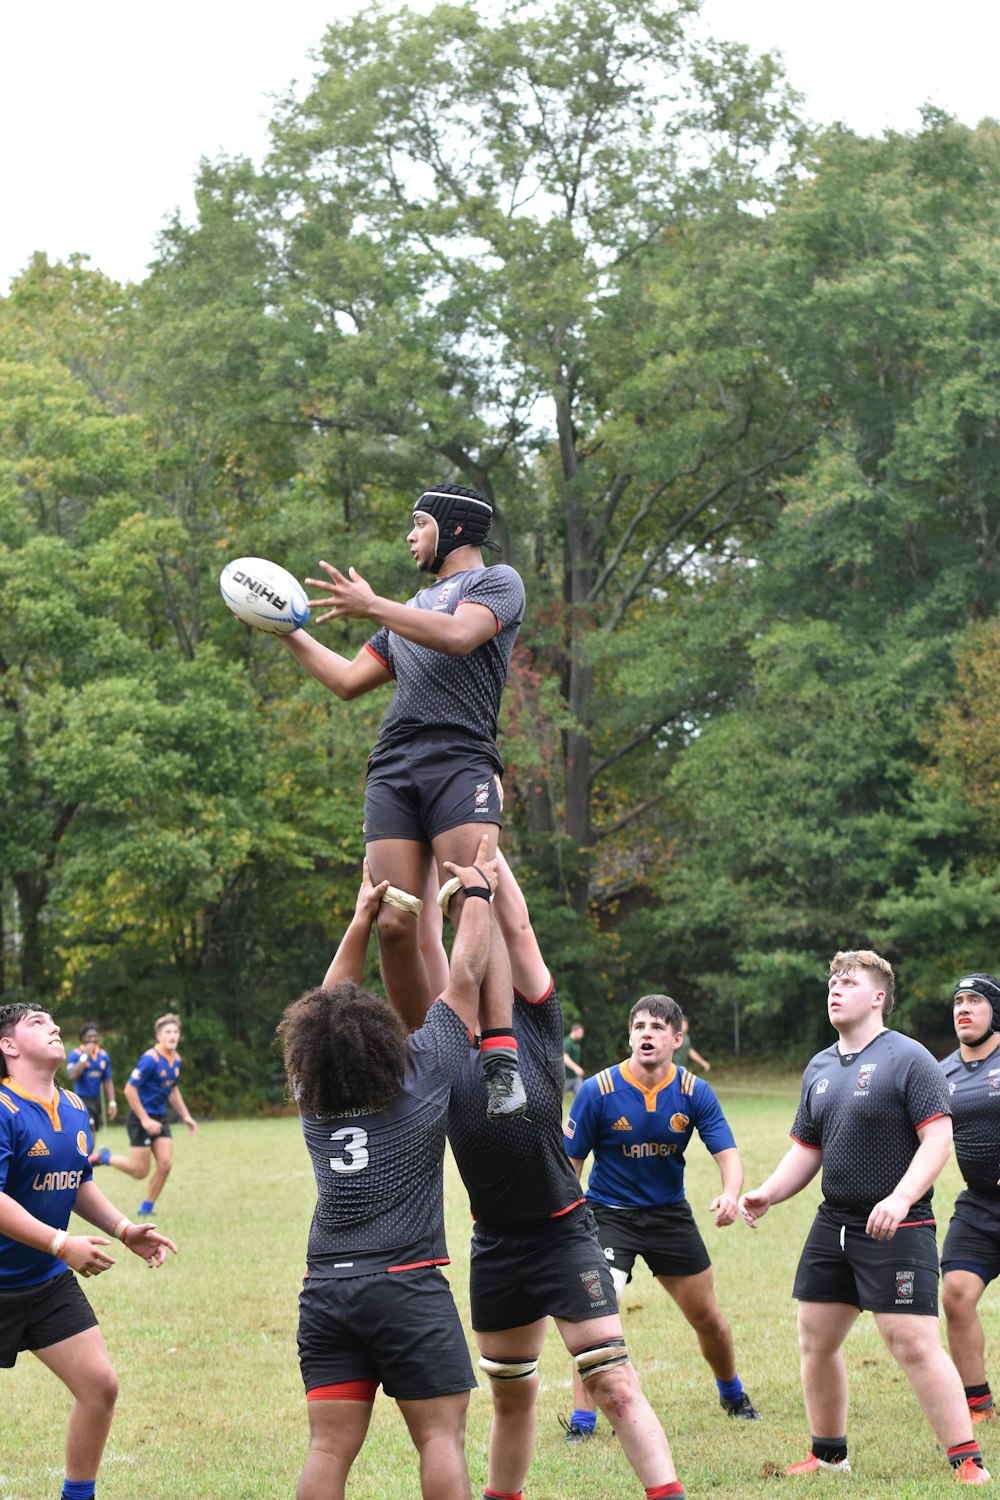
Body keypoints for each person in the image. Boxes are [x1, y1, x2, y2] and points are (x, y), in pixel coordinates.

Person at [281, 482, 527, 1118]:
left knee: (472, 897)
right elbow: (343, 680)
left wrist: (373, 605)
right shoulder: (406, 612)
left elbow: (456, 637)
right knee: (392, 918)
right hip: (392, 765)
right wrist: (282, 626)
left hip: (460, 758)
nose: (409, 536)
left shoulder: (497, 583)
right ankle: (430, 1062)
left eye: (418, 524)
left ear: (454, 531)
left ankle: (499, 1053)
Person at [443, 865, 686, 1500]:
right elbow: (425, 955)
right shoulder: (440, 1038)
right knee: (510, 1393)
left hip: (561, 1235)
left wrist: (491, 863)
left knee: (613, 1382)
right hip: (494, 1245)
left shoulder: (537, 1023)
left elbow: (518, 927)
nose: (483, 945)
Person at [279, 835, 498, 1500]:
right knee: (439, 1437)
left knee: (327, 1446)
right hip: (404, 1285)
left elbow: (327, 1002)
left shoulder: (310, 1093)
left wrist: (360, 920)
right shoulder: (420, 1073)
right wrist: (477, 896)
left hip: (326, 1291)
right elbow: (463, 979)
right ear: (379, 1035)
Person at [739, 949, 990, 1485]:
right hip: (835, 1223)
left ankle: (968, 1459)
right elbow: (808, 1148)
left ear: (878, 997)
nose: (834, 989)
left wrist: (899, 1199)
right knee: (815, 1339)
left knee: (912, 1343)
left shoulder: (910, 1057)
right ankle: (829, 1456)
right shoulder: (820, 1066)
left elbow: (937, 1139)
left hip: (901, 1225)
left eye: (848, 982)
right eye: (832, 981)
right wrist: (767, 1193)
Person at [561, 994, 759, 1441]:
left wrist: (731, 1194)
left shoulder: (693, 1091)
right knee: (599, 1305)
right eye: (639, 1027)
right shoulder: (598, 1091)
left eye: (656, 1027)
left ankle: (732, 1393)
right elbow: (568, 1170)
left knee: (707, 1316)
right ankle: (583, 1420)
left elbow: (728, 1155)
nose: (646, 1034)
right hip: (608, 1214)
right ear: (630, 1036)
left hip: (670, 1215)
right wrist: (571, 1223)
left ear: (676, 1038)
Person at [0, 1002, 176, 1500]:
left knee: (99, 1387)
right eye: (37, 1023)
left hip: (44, 1283)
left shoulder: (76, 1107)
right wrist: (61, 1242)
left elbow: (76, 1182)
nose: (55, 1027)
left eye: (53, 1021)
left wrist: (124, 1229)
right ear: (8, 1046)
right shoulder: (2, 1109)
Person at [940, 972, 1000, 1426]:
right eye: (959, 1000)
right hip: (979, 1205)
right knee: (957, 1293)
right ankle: (978, 1404)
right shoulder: (942, 1074)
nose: (964, 1007)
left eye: (974, 1000)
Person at [89, 1013, 197, 1220]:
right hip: (140, 1119)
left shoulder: (176, 1060)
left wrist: (186, 1116)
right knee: (140, 1171)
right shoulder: (150, 1059)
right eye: (168, 1032)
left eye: (175, 1032)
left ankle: (146, 1208)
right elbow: (130, 1090)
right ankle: (104, 1158)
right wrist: (145, 1119)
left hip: (160, 1117)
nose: (172, 1036)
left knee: (166, 1164)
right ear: (159, 1036)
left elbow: (172, 1090)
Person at [65, 1024, 116, 1139]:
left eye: (95, 1036)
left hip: (95, 1100)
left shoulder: (103, 1055)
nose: (92, 1039)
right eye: (89, 1036)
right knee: (90, 1131)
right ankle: (87, 1156)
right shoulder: (76, 1054)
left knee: (93, 1133)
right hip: (81, 1099)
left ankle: (89, 1156)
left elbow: (107, 1080)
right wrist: (85, 1055)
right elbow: (72, 1076)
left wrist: (112, 1102)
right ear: (82, 1038)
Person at [563, 1020, 585, 1099]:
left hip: (575, 1077)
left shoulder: (576, 1043)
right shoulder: (568, 1042)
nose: (582, 1035)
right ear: (575, 1031)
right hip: (565, 1078)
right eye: (581, 1032)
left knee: (583, 1096)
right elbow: (565, 1058)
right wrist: (576, 1068)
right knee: (556, 1099)